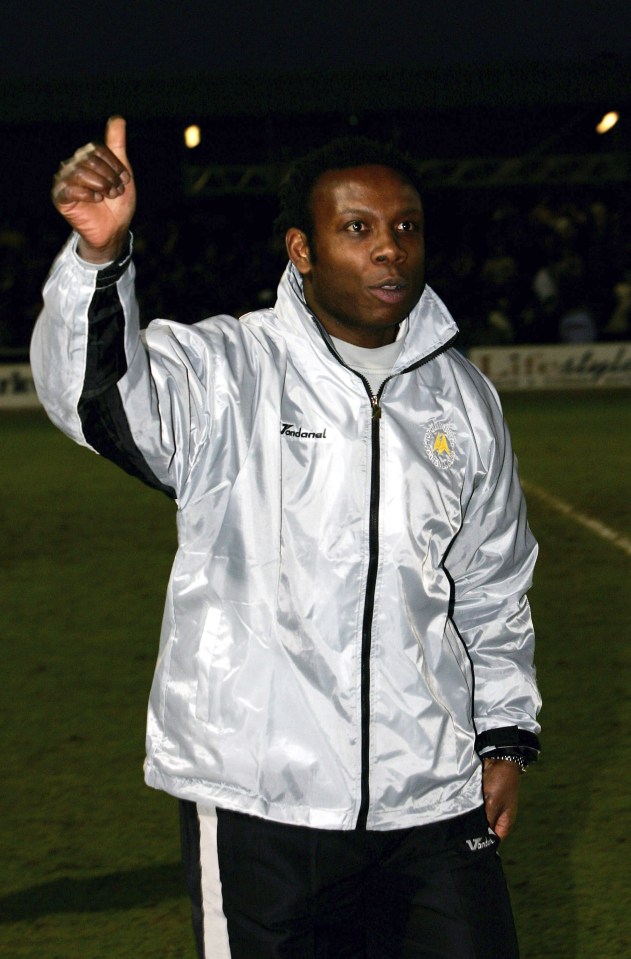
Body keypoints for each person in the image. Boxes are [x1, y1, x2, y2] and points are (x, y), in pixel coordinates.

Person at [31, 117, 541, 959]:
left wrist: (504, 736)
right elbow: (101, 401)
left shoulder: (463, 399)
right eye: (357, 228)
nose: (388, 249)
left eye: (404, 227)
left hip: (432, 797)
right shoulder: (228, 371)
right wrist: (100, 260)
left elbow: (491, 583)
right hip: (261, 800)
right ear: (301, 250)